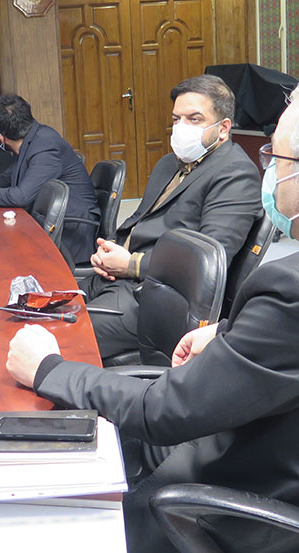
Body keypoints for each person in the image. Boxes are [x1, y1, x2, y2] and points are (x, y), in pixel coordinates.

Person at [3, 65, 299, 553]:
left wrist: (49, 368)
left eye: (276, 156)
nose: (267, 168)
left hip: (265, 516)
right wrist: (230, 330)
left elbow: (161, 412)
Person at [82, 75, 262, 359]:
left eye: (194, 119)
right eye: (177, 119)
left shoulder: (236, 174)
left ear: (223, 128)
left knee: (62, 335)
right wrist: (109, 251)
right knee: (39, 306)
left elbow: (207, 260)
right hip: (117, 280)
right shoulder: (170, 164)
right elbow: (140, 221)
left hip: (159, 298)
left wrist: (131, 264)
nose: (181, 127)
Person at [0, 94, 100, 262]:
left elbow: (22, 196)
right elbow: (7, 177)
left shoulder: (45, 145)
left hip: (72, 233)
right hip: (49, 223)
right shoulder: (32, 140)